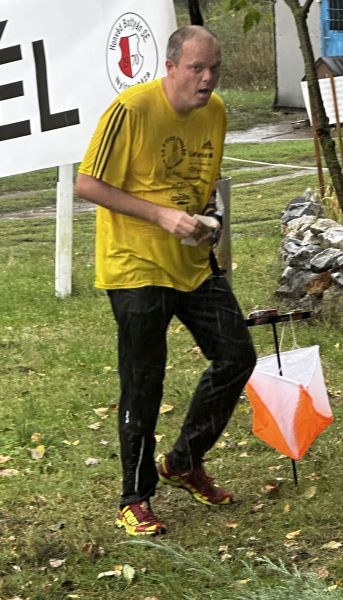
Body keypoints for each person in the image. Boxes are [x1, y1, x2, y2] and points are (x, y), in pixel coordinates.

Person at [75, 25, 256, 537]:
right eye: (197, 68)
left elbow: (204, 187)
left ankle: (183, 462)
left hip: (190, 262)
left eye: (214, 68)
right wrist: (160, 216)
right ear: (171, 67)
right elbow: (87, 184)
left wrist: (209, 219)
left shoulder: (215, 112)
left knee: (237, 355)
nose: (207, 78)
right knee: (144, 380)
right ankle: (134, 498)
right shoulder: (131, 110)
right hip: (134, 264)